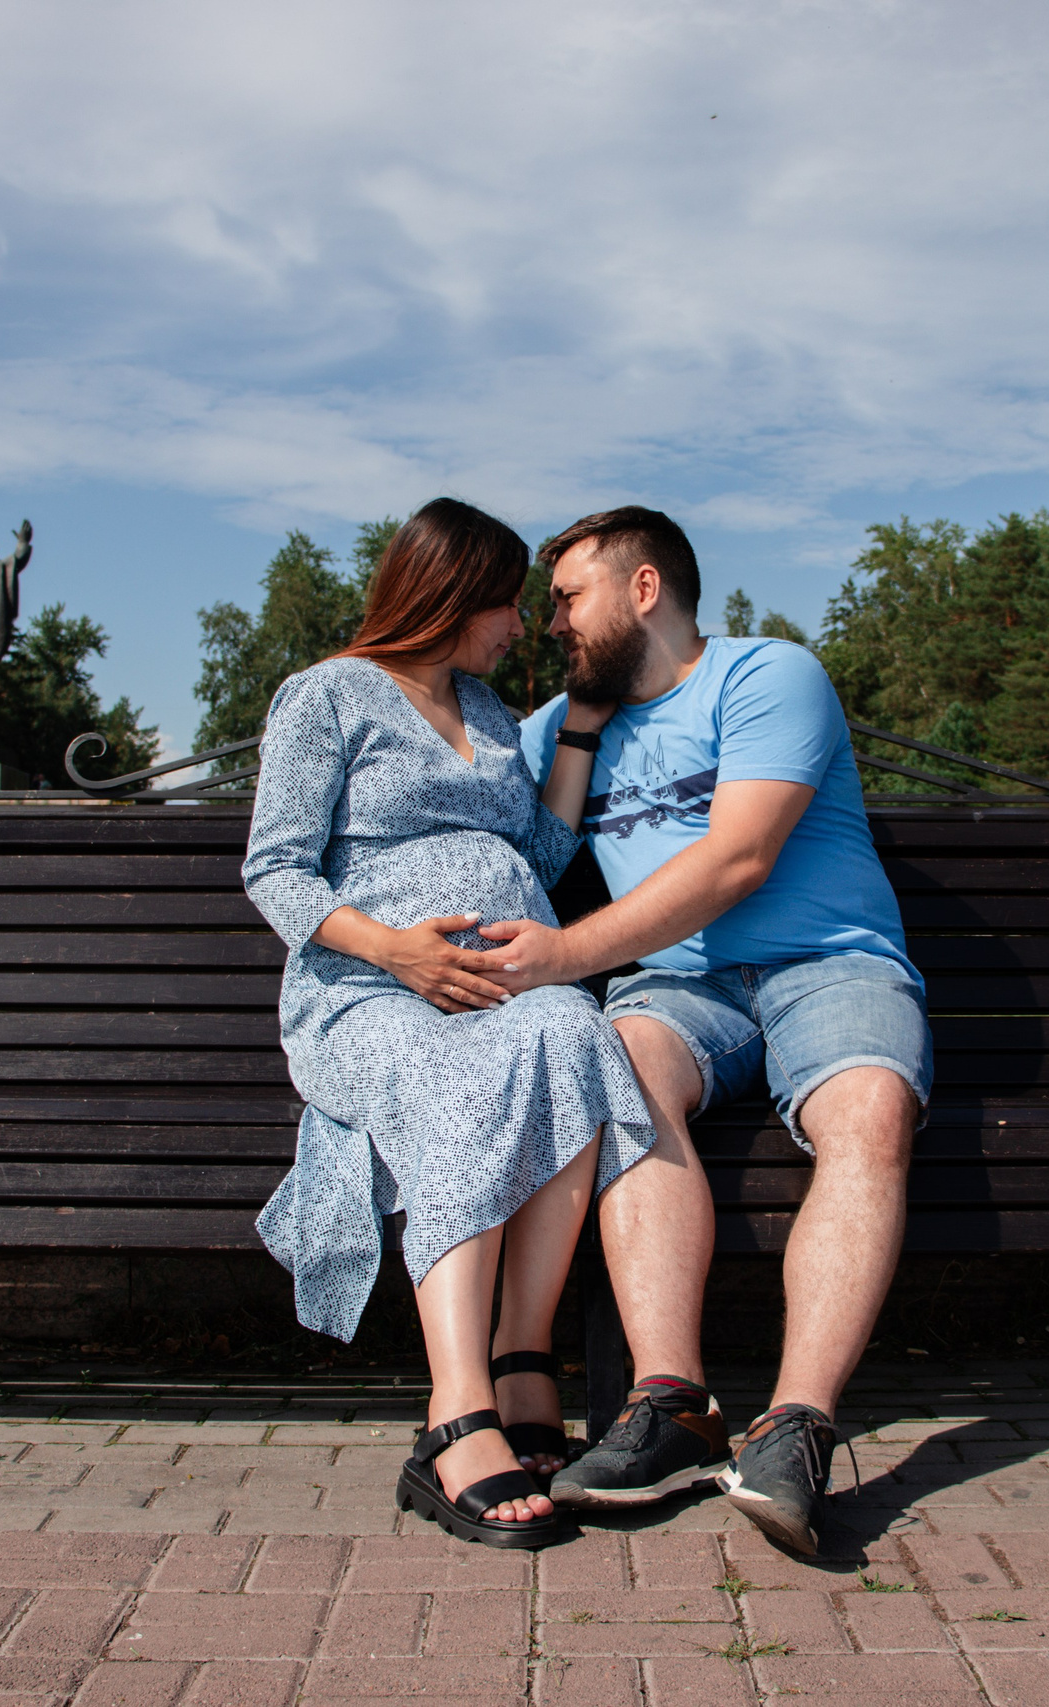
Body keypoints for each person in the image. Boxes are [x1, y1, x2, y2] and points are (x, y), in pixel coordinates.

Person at [485, 505, 926, 1557]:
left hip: (830, 964)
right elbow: (505, 849)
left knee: (867, 1107)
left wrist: (562, 954)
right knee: (623, 1060)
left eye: (567, 598)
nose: (551, 624)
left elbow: (737, 860)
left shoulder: (765, 676)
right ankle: (672, 1404)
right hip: (683, 992)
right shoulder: (561, 727)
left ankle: (795, 1428)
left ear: (644, 590)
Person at [243, 498, 654, 1551]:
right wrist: (397, 951)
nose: (522, 624)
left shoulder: (484, 707)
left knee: (575, 1034)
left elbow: (545, 858)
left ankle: (523, 1359)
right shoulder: (327, 695)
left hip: (502, 995)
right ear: (449, 595)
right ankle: (457, 1409)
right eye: (505, 602)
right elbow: (274, 870)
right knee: (454, 1074)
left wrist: (578, 728)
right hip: (367, 993)